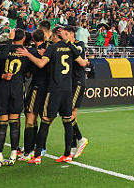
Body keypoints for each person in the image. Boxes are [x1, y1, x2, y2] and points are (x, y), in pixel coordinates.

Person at [23, 26, 88, 164]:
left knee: (45, 121)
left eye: (52, 36)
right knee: (67, 121)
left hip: (54, 90)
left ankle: (38, 155)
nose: (51, 38)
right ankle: (67, 154)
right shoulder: (70, 48)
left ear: (55, 36)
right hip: (67, 90)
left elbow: (41, 64)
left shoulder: (52, 48)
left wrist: (29, 55)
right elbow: (82, 62)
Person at [0, 29, 29, 167]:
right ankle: (13, 154)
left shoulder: (1, 48)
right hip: (17, 88)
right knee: (14, 122)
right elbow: (29, 73)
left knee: (2, 123)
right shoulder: (26, 51)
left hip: (3, 88)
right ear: (23, 38)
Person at [20, 23, 50, 161]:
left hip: (37, 87)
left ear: (33, 37)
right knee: (39, 118)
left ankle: (28, 152)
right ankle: (40, 147)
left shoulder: (31, 51)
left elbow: (27, 73)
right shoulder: (50, 50)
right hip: (48, 89)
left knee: (30, 119)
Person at [69, 27, 89, 158]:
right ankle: (73, 145)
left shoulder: (79, 44)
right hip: (70, 83)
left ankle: (80, 139)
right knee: (69, 114)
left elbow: (78, 55)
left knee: (70, 113)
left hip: (78, 82)